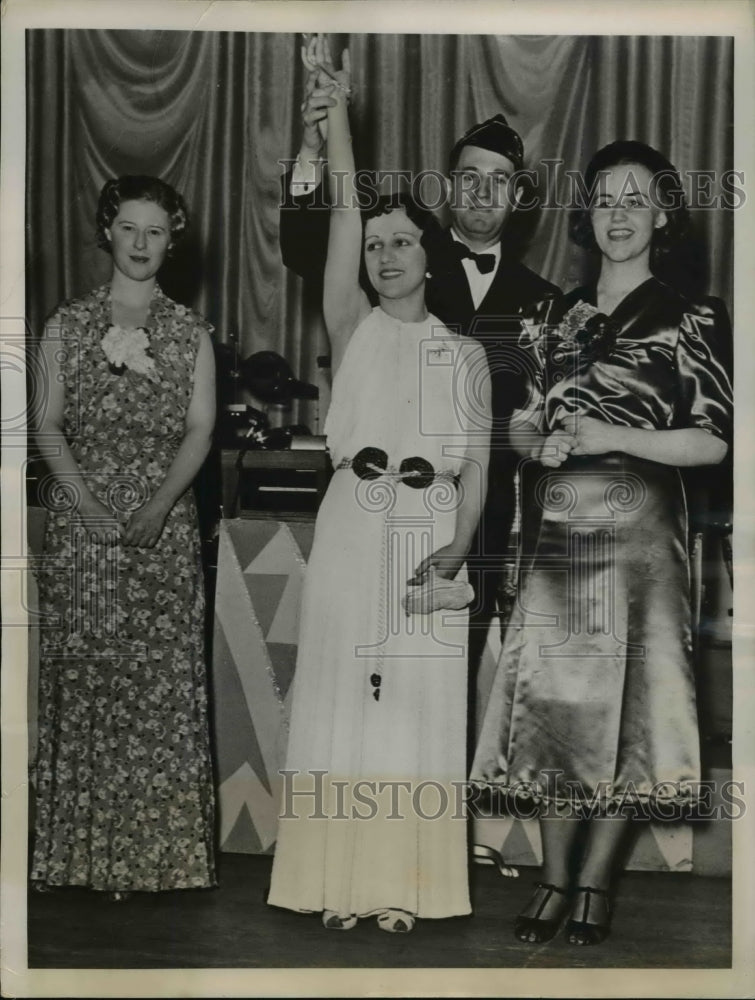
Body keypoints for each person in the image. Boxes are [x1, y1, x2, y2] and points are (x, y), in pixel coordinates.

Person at [471, 140, 732, 945]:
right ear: (586, 216)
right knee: (557, 705)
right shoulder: (550, 313)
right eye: (603, 200)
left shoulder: (694, 316)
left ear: (660, 216)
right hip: (559, 533)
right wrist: (531, 436)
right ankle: (551, 880)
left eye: (634, 200)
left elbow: (714, 441)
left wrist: (607, 434)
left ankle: (593, 886)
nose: (617, 214)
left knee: (632, 711)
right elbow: (528, 419)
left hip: (645, 534)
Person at [267, 39, 491, 932]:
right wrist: (339, 122)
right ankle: (332, 884)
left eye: (405, 244)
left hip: (428, 530)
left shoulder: (466, 352)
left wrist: (459, 548)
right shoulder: (350, 320)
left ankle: (405, 885)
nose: (387, 254)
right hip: (353, 521)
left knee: (413, 707)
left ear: (429, 258)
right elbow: (346, 212)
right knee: (339, 689)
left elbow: (474, 468)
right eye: (378, 245)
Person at [280, 38, 558, 680]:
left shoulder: (545, 303)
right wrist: (322, 139)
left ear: (519, 198)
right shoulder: (399, 262)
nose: (483, 193)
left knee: (446, 685)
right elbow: (319, 238)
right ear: (447, 184)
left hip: (477, 520)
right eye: (469, 177)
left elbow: (533, 425)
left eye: (500, 182)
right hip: (370, 506)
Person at [31, 175, 217, 897]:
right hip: (85, 533)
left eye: (156, 232)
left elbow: (200, 430)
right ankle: (74, 858)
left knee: (155, 691)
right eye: (129, 229)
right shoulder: (65, 324)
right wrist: (89, 507)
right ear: (109, 231)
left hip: (161, 533)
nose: (141, 245)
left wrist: (159, 506)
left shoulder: (189, 330)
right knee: (86, 688)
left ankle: (151, 864)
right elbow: (45, 424)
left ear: (172, 240)